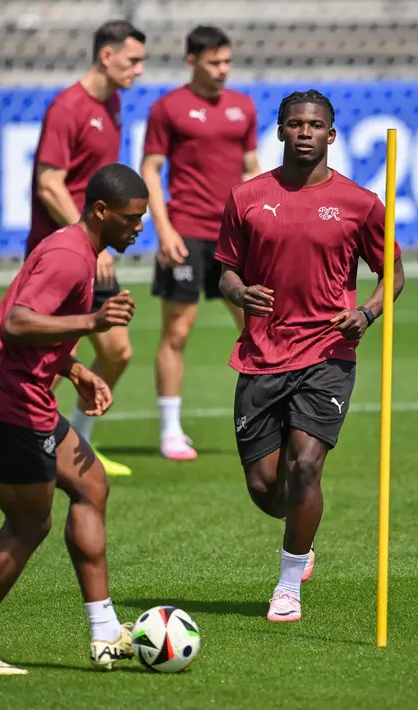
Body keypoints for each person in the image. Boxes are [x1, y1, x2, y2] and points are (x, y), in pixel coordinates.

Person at [0, 164, 149, 675]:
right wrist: (93, 321)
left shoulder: (79, 251)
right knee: (29, 523)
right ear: (100, 211)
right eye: (132, 217)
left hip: (24, 396)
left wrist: (75, 369)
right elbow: (17, 323)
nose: (139, 227)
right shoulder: (69, 257)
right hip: (4, 402)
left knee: (92, 484)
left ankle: (104, 634)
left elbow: (36, 329)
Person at [215, 90, 405, 622]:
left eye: (315, 125)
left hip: (328, 352)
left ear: (331, 135)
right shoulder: (246, 198)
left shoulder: (360, 202)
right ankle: (302, 531)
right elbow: (226, 268)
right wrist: (238, 293)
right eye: (294, 124)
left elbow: (393, 273)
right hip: (261, 354)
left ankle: (288, 583)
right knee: (263, 486)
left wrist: (366, 313)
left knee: (305, 468)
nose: (304, 132)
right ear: (279, 132)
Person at [0, 19, 146, 482]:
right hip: (65, 253)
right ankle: (6, 448)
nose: (140, 70)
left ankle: (78, 441)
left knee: (117, 351)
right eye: (133, 60)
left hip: (91, 251)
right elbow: (49, 180)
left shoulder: (112, 103)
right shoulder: (68, 107)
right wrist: (90, 238)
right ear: (106, 56)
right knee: (44, 348)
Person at [141, 25, 261, 461]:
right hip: (186, 232)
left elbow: (251, 167)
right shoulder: (167, 108)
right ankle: (170, 430)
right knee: (177, 331)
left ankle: (267, 420)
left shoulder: (243, 107)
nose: (223, 70)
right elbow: (150, 169)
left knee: (258, 325)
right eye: (214, 63)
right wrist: (164, 228)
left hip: (234, 236)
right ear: (192, 60)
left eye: (227, 61)